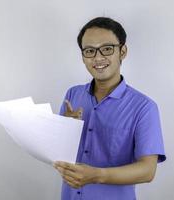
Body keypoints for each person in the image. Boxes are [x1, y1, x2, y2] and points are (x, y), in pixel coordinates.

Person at [53, 17, 166, 200]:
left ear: (122, 51)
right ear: (83, 57)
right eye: (89, 51)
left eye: (106, 49)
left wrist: (97, 175)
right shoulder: (73, 95)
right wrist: (66, 130)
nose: (98, 58)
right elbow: (56, 152)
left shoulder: (144, 107)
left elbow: (147, 170)